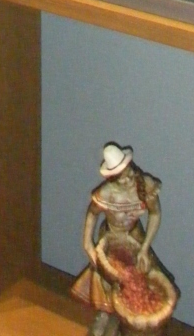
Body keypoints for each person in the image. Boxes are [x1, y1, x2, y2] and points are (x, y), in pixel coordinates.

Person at [71, 143, 163, 336]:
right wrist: (87, 242)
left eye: (130, 173)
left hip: (134, 237)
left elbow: (155, 214)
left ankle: (129, 322)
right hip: (110, 237)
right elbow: (92, 213)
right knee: (106, 278)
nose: (129, 179)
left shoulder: (144, 185)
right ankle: (105, 314)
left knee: (139, 278)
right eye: (122, 178)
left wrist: (145, 248)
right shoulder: (106, 193)